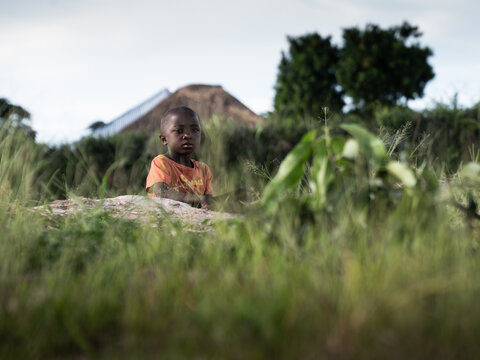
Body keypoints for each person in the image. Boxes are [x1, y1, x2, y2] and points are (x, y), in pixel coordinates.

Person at [146, 106, 213, 209]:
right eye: (179, 130)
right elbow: (162, 193)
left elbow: (209, 202)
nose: (187, 135)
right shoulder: (161, 162)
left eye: (194, 130)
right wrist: (200, 199)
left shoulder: (203, 169)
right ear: (164, 139)